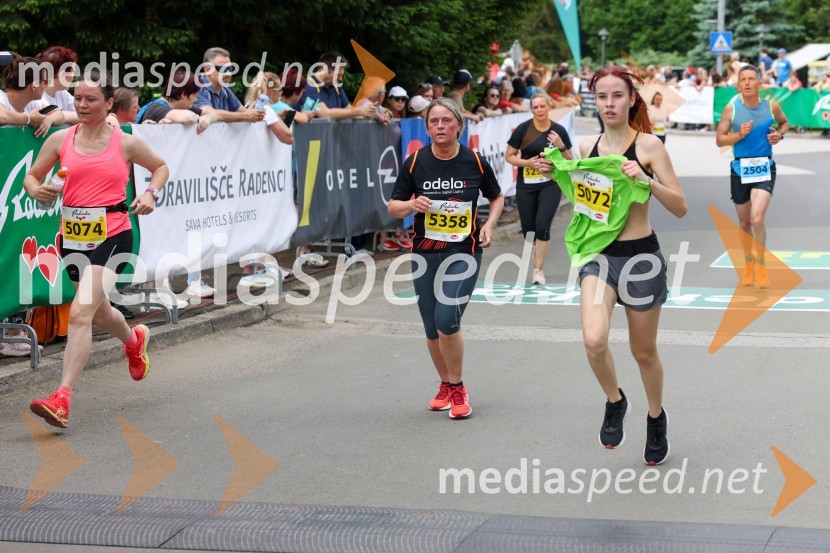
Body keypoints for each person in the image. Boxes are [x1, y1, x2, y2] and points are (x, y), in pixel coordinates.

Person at [544, 66, 687, 465]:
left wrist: (646, 180)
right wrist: (556, 169)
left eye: (617, 96)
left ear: (631, 100)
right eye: (602, 97)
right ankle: (614, 400)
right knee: (594, 340)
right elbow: (585, 200)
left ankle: (656, 417)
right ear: (596, 101)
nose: (609, 103)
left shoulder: (650, 147)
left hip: (641, 257)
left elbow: (680, 206)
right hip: (599, 256)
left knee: (644, 353)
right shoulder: (587, 146)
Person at [23, 69, 170, 428]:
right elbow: (32, 176)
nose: (82, 105)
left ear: (109, 105)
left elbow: (161, 167)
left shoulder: (125, 142)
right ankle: (134, 339)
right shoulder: (60, 139)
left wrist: (150, 193)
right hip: (72, 239)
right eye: (77, 99)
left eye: (91, 99)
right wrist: (34, 189)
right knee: (99, 313)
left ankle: (62, 398)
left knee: (79, 314)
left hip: (114, 235)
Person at [387, 98, 504, 419]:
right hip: (424, 253)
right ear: (427, 127)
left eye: (446, 121)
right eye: (434, 122)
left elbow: (496, 196)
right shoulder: (414, 162)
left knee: (446, 321)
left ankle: (458, 387)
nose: (439, 127)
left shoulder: (475, 161)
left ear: (458, 126)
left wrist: (490, 225)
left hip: (463, 253)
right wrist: (412, 206)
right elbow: (393, 206)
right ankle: (444, 382)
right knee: (430, 327)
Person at [715, 64, 789, 289]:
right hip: (739, 170)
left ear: (759, 83)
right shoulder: (732, 109)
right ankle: (748, 264)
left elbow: (785, 123)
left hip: (765, 167)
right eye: (743, 79)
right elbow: (719, 139)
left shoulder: (771, 106)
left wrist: (779, 134)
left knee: (757, 219)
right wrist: (738, 135)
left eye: (751, 79)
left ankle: (761, 263)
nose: (746, 83)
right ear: (738, 84)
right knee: (745, 223)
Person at [506, 94, 573, 285]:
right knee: (529, 231)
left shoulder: (558, 130)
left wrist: (561, 147)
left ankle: (538, 270)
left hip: (550, 183)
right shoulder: (523, 129)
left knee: (543, 225)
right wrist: (527, 163)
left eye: (543, 106)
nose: (540, 110)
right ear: (531, 109)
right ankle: (537, 251)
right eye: (536, 107)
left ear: (549, 107)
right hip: (526, 184)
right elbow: (509, 156)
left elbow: (570, 160)